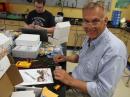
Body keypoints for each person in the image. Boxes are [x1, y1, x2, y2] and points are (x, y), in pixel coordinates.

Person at [53, 1, 127, 97]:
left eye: (95, 21)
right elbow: (82, 57)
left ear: (105, 21)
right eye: (86, 21)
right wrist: (66, 58)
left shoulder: (115, 50)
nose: (89, 26)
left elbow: (104, 92)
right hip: (74, 80)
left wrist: (70, 81)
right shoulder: (91, 36)